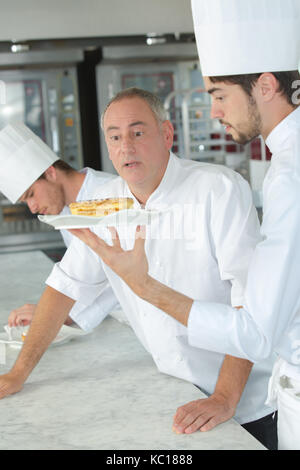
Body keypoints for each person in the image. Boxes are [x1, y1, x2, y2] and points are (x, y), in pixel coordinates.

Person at [70, 1, 300, 450]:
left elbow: (254, 332)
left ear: (266, 86)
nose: (214, 112)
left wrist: (145, 286)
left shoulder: (288, 177)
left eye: (218, 95)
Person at [0, 88, 277, 450]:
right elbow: (65, 287)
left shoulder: (219, 189)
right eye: (114, 137)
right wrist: (17, 374)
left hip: (247, 400)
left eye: (138, 132)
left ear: (166, 134)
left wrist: (224, 397)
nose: (125, 146)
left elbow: (249, 304)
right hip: (177, 390)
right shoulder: (105, 206)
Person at [0, 122, 119, 332]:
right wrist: (52, 310)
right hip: (113, 323)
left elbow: (118, 277)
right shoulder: (65, 209)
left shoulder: (108, 194)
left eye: (31, 195)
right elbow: (85, 275)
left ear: (50, 172)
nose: (33, 208)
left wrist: (60, 314)